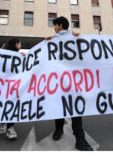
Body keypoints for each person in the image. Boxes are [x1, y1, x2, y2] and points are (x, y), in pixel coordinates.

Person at [45, 16, 93, 151]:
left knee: (75, 109)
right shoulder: (52, 40)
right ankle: (59, 130)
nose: (54, 28)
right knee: (61, 107)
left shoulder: (77, 37)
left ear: (59, 25)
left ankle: (79, 139)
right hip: (59, 81)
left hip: (73, 81)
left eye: (55, 25)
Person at [0, 38, 25, 140]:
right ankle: (5, 125)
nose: (21, 46)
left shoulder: (19, 56)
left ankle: (9, 127)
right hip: (3, 85)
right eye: (20, 44)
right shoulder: (3, 53)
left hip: (13, 86)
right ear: (16, 44)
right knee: (5, 105)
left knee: (11, 106)